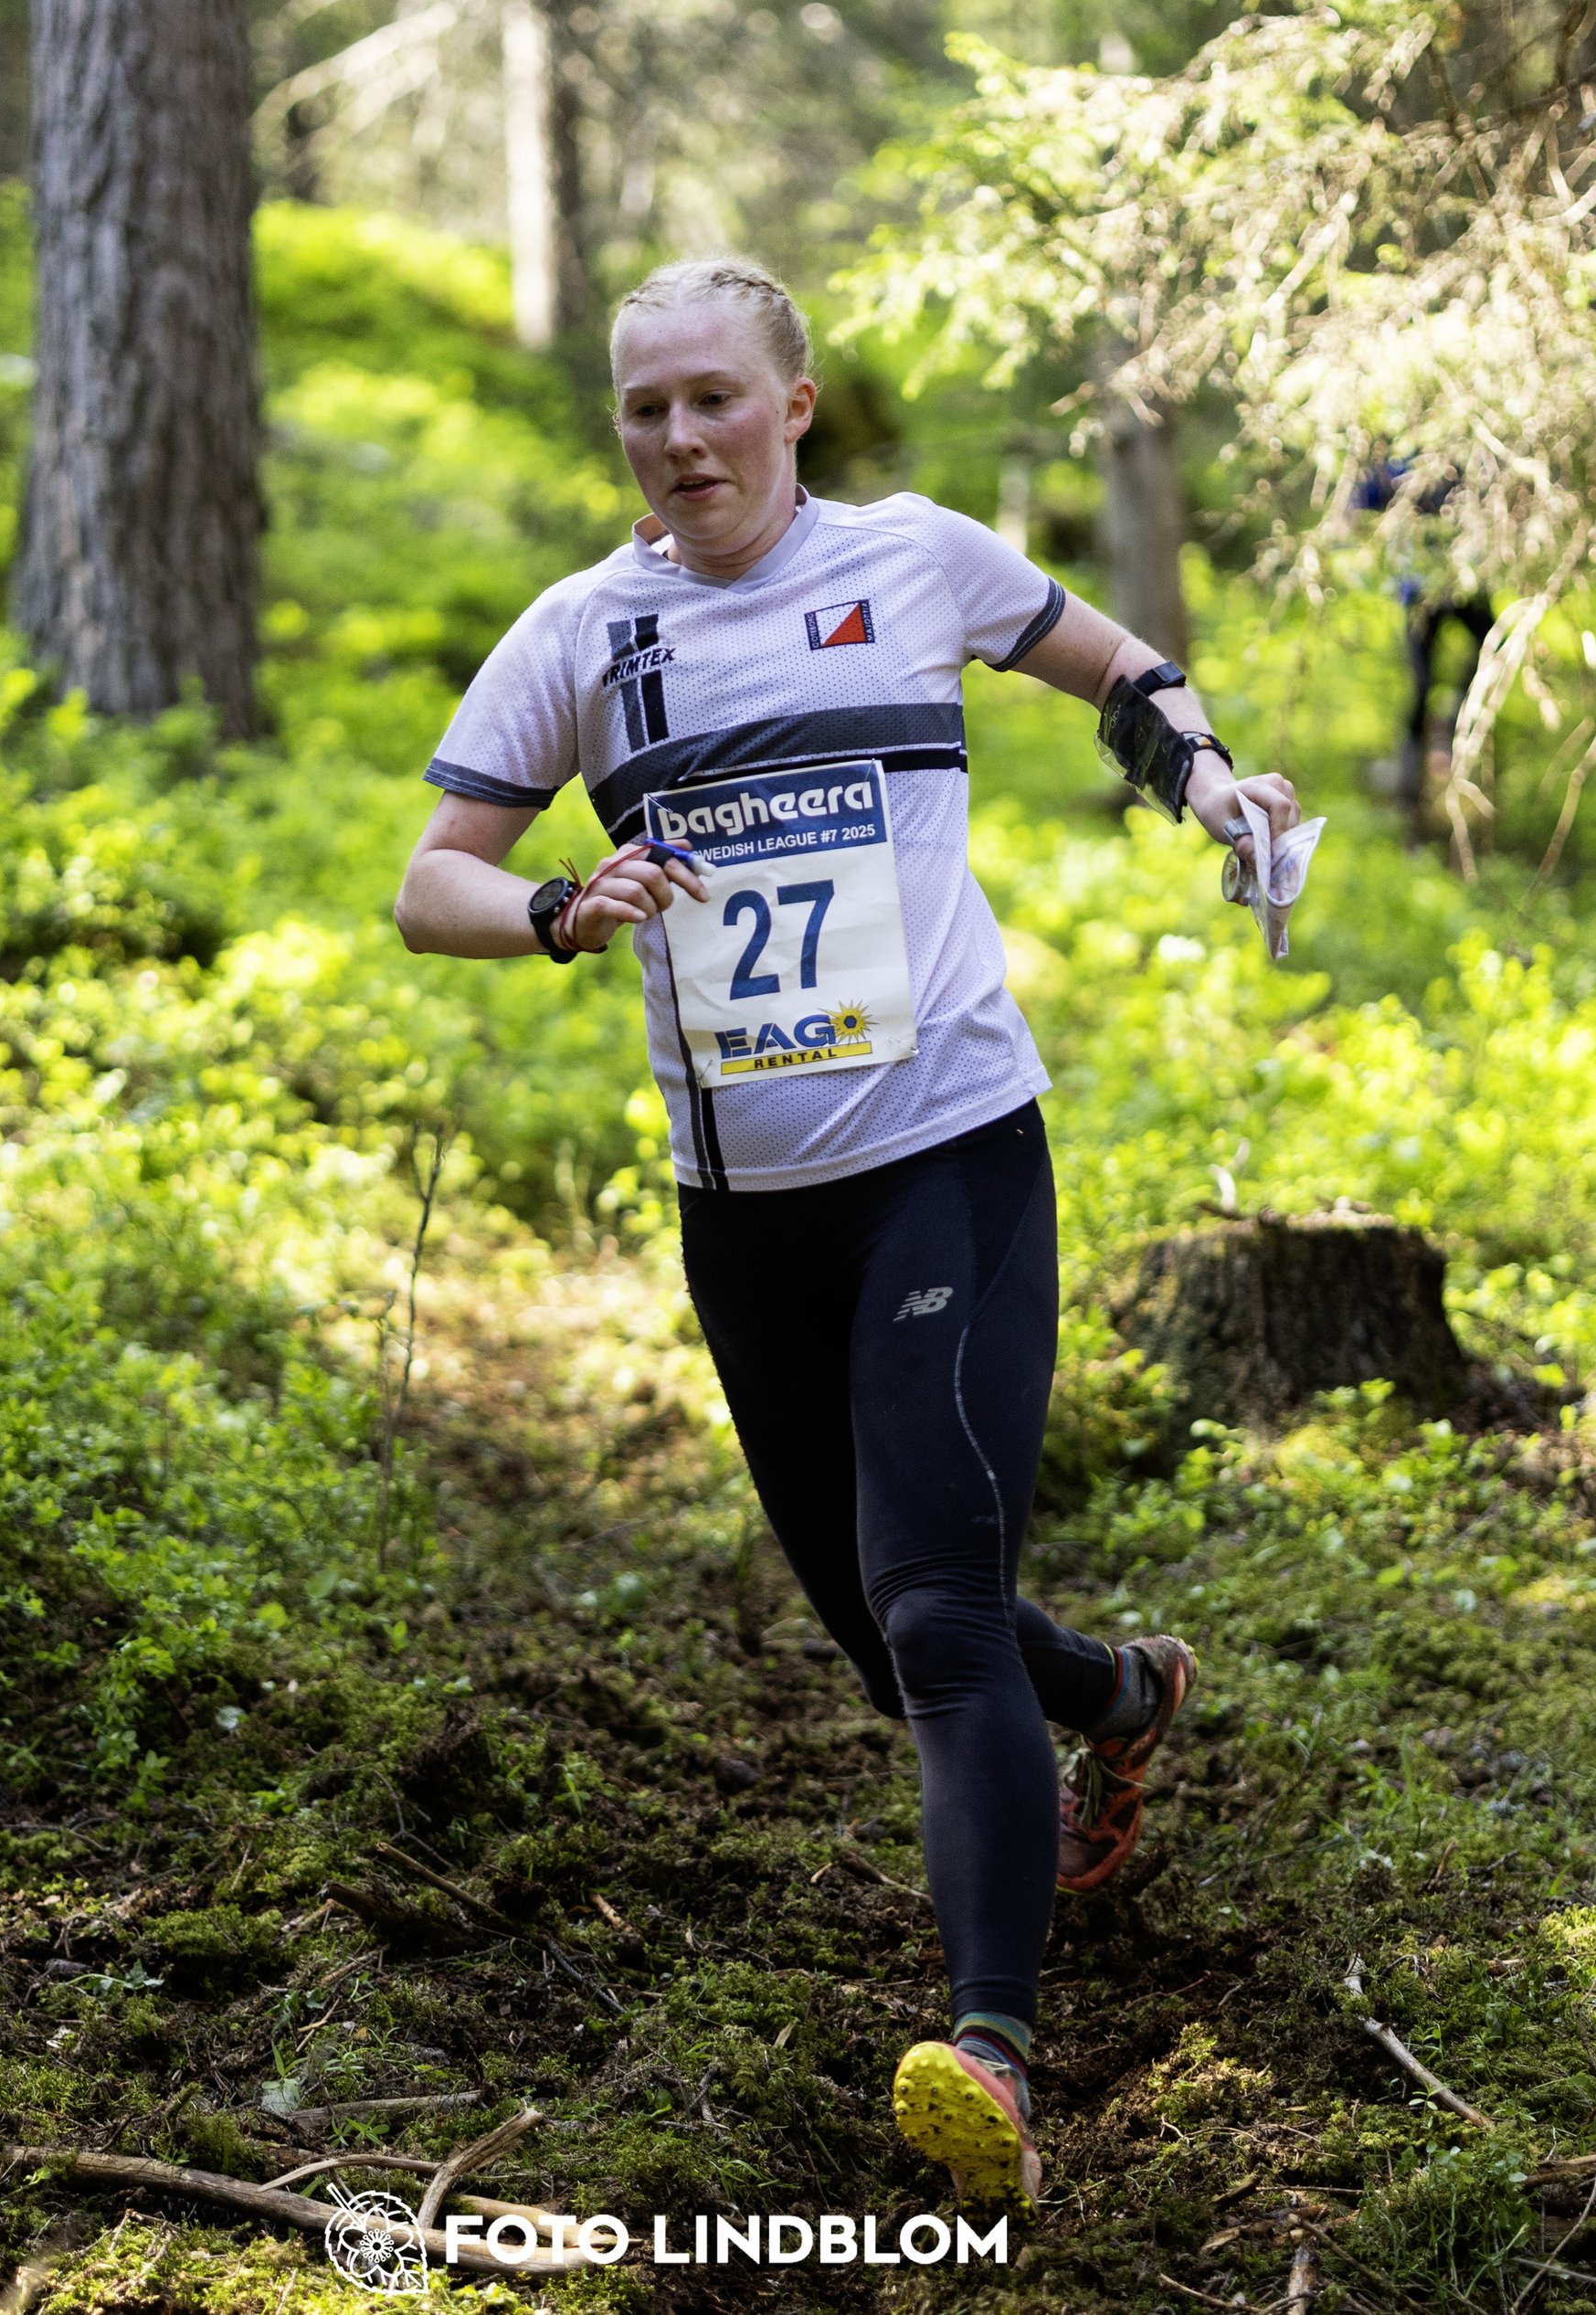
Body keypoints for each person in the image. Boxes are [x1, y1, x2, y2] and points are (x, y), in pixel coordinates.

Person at [394, 257, 1301, 2211]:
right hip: (746, 1218)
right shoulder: (585, 631)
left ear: (793, 404)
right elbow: (427, 882)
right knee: (890, 1639)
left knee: (937, 1609)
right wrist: (555, 907)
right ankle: (1121, 1695)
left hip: (943, 1155)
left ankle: (992, 2055)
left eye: (713, 397)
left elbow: (1121, 672)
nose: (679, 437)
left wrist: (1208, 779)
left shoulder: (912, 559)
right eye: (645, 407)